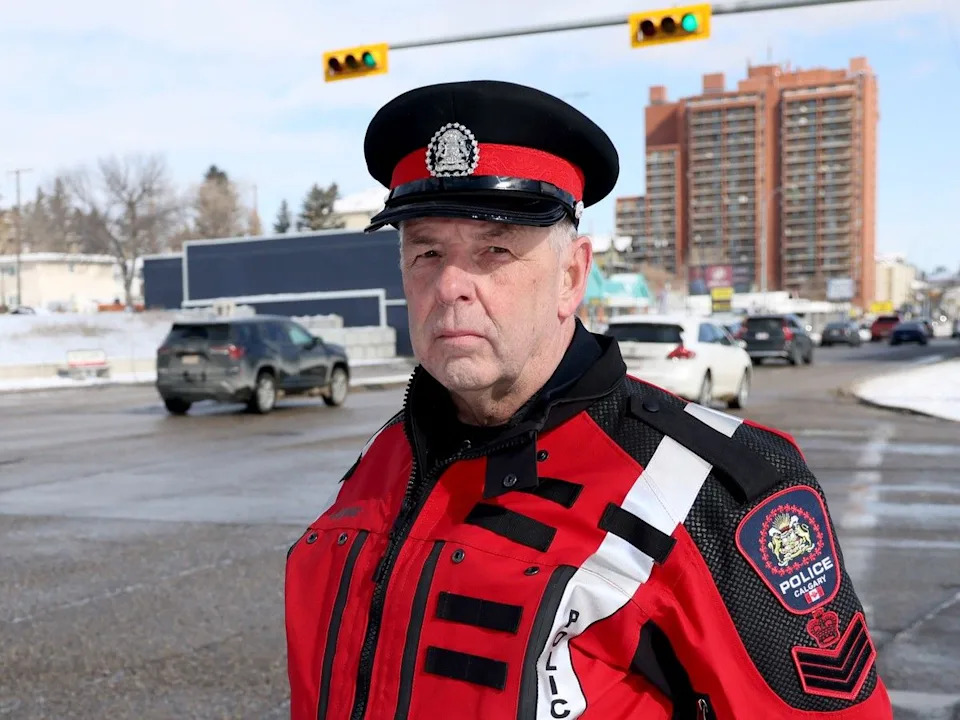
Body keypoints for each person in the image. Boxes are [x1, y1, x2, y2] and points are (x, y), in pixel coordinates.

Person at [284, 80, 892, 720]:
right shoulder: (388, 456)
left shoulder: (706, 487)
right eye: (426, 252)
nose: (451, 285)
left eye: (494, 250)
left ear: (571, 276)